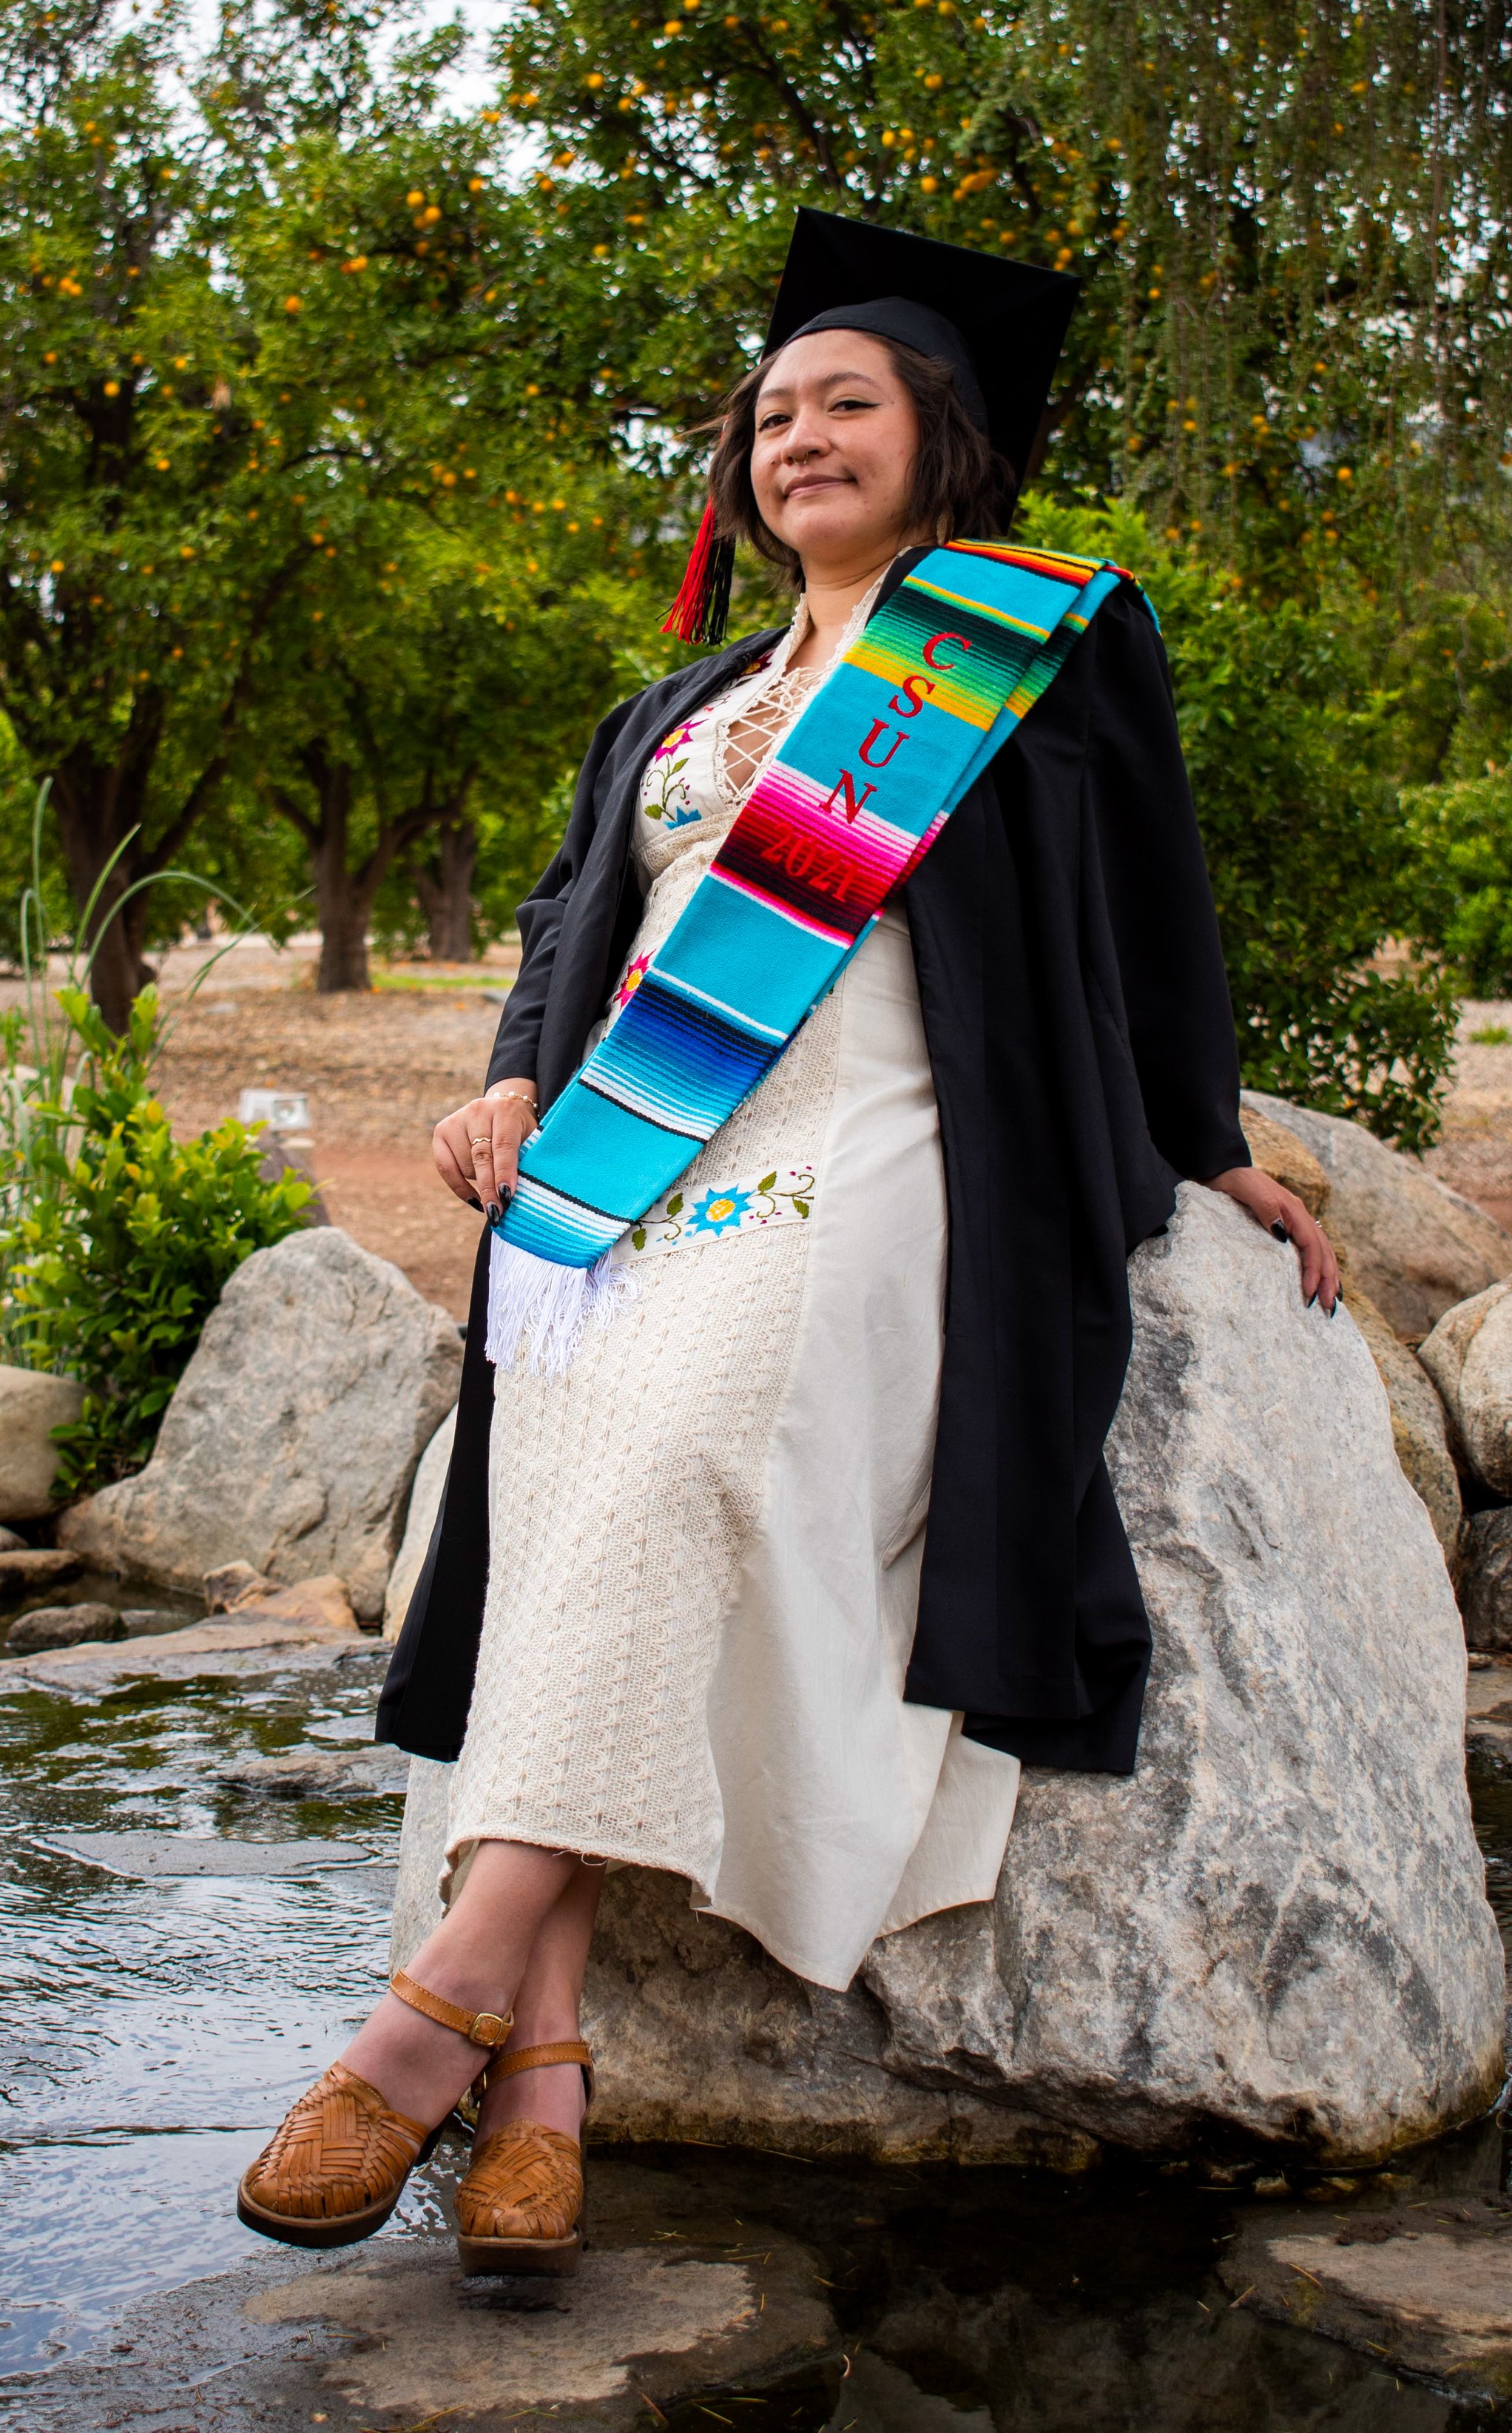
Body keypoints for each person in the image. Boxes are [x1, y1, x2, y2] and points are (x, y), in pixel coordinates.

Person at [234, 208, 1340, 2275]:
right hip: (646, 1160)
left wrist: (1210, 1141)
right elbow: (585, 924)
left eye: (846, 404)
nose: (796, 439)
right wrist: (500, 1078)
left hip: (899, 1143)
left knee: (656, 1450)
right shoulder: (692, 696)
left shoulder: (1031, 635)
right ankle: (540, 2067)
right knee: (567, 1456)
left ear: (944, 435)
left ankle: (427, 2015)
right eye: (769, 416)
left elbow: (1146, 904)